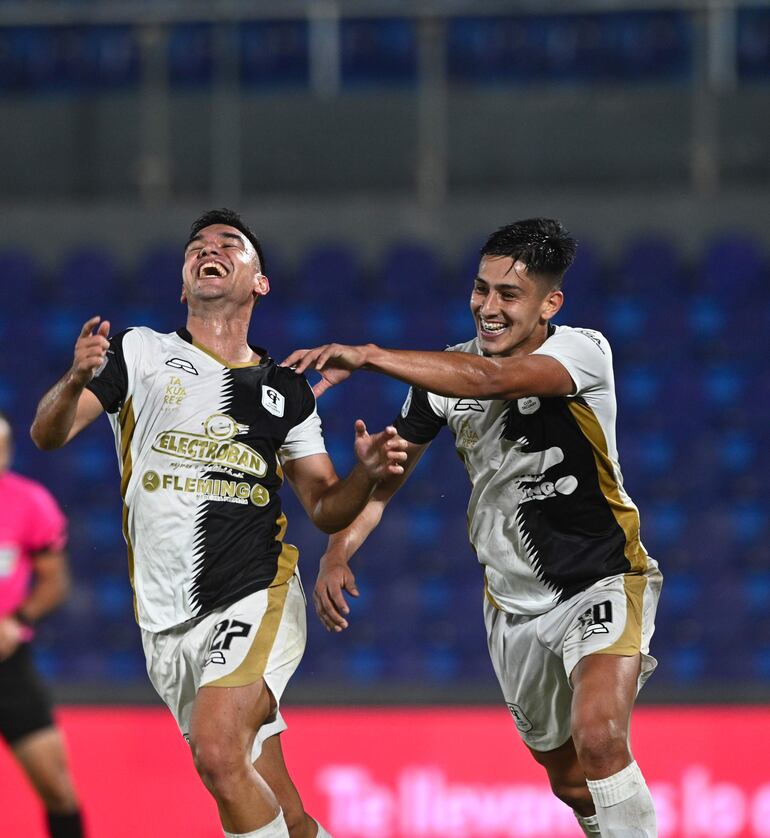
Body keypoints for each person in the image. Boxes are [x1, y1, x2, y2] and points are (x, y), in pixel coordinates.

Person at [30, 208, 408, 838]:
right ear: (184, 282)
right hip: (164, 615)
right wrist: (73, 379)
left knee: (217, 752)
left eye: (230, 244)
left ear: (259, 282)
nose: (211, 249)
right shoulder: (140, 352)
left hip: (253, 589)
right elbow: (50, 433)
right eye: (197, 246)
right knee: (275, 800)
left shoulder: (286, 389)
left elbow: (324, 506)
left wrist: (366, 475)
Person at [283, 218, 663, 838]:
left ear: (549, 304)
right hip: (512, 607)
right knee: (568, 778)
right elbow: (385, 483)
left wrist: (373, 356)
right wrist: (338, 549)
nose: (488, 307)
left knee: (600, 738)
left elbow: (494, 381)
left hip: (601, 582)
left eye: (508, 295)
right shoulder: (444, 377)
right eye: (480, 289)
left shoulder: (582, 352)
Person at [0, 411, 86, 838]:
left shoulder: (29, 502)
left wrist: (17, 620)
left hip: (8, 665)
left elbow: (55, 581)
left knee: (57, 787)